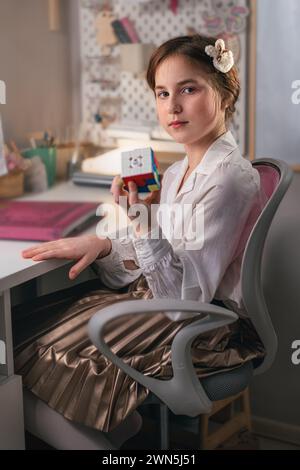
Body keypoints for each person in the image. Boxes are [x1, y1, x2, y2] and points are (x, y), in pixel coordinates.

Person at [16, 35, 266, 433]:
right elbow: (156, 257)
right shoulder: (175, 173)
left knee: (36, 346)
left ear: (224, 92)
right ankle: (119, 429)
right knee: (24, 323)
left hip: (202, 322)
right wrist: (103, 244)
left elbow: (181, 302)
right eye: (162, 93)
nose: (173, 106)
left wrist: (138, 223)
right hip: (165, 299)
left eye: (189, 89)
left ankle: (111, 431)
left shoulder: (229, 180)